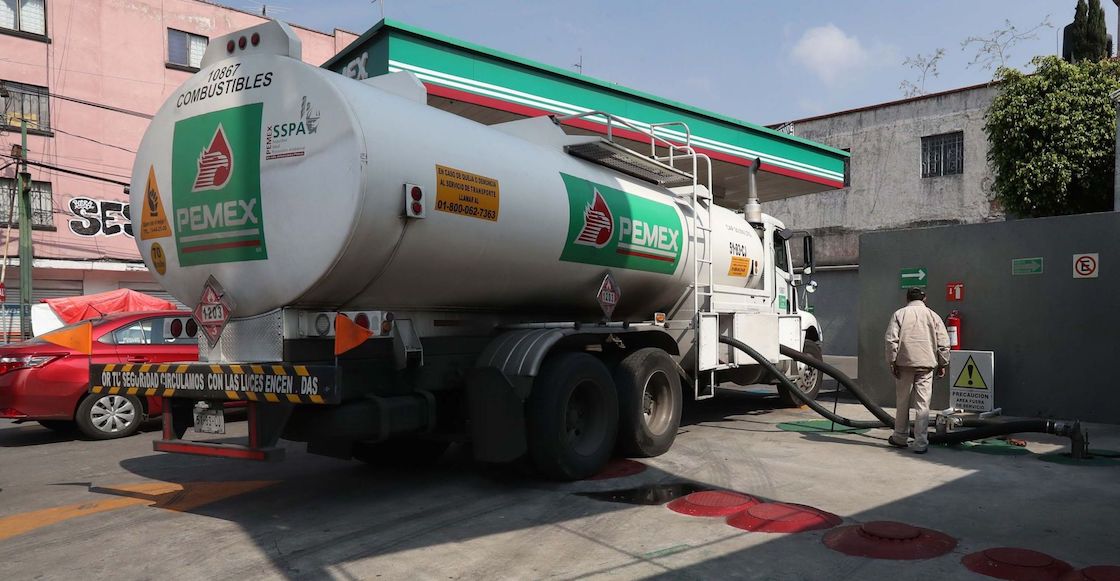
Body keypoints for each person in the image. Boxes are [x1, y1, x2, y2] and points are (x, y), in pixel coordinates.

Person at [883, 287, 950, 454]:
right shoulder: (933, 315)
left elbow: (891, 340)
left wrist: (892, 362)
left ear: (907, 298)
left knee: (902, 402)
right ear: (924, 298)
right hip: (926, 366)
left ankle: (900, 437)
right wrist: (943, 364)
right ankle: (920, 443)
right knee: (923, 405)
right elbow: (943, 342)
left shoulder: (899, 314)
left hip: (904, 365)